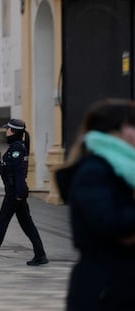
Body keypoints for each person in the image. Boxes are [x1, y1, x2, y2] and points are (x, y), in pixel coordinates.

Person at [55, 98, 135, 310]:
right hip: (104, 290)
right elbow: (106, 223)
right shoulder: (94, 171)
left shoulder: (127, 171)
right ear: (115, 131)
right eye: (133, 125)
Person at [0, 119, 48, 267]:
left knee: (1, 223)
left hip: (15, 192)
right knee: (27, 225)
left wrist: (19, 193)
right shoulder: (16, 147)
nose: (5, 131)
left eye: (7, 129)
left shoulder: (16, 149)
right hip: (15, 191)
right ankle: (40, 255)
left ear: (13, 131)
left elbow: (19, 172)